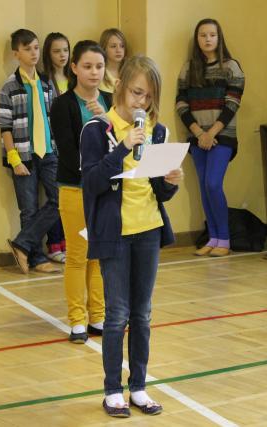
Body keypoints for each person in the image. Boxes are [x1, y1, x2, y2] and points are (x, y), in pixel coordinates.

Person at [81, 54, 183, 417]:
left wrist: (171, 182)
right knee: (117, 314)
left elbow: (159, 191)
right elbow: (92, 182)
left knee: (142, 314)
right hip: (115, 233)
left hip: (148, 229)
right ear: (121, 86)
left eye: (149, 96)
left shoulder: (158, 131)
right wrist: (123, 146)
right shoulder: (98, 129)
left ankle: (138, 386)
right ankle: (113, 390)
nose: (142, 102)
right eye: (137, 92)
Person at [50, 40, 112, 343]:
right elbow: (68, 152)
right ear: (74, 68)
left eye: (99, 66)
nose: (94, 72)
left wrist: (106, 119)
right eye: (87, 66)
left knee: (99, 255)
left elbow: (121, 143)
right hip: (75, 188)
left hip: (106, 191)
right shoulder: (62, 105)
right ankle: (77, 320)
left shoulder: (111, 101)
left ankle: (98, 317)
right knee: (78, 255)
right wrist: (96, 175)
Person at [176, 18, 245, 257]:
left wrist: (211, 133)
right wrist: (198, 133)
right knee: (204, 187)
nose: (207, 39)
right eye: (203, 35)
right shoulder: (189, 68)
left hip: (222, 137)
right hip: (197, 137)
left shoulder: (231, 67)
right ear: (197, 39)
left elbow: (233, 103)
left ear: (219, 38)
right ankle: (213, 237)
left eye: (212, 35)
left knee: (214, 184)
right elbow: (181, 103)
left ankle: (224, 239)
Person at [0, 29, 61, 274]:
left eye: (36, 47)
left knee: (60, 199)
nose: (33, 53)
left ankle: (21, 244)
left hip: (49, 153)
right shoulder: (9, 87)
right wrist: (14, 160)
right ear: (16, 54)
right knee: (29, 209)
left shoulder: (46, 83)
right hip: (23, 156)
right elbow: (5, 127)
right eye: (27, 49)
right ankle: (36, 258)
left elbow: (53, 118)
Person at [41, 32, 71, 263]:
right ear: (48, 54)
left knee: (69, 196)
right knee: (56, 197)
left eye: (65, 50)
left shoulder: (74, 80)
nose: (62, 55)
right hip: (52, 146)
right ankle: (54, 244)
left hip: (72, 146)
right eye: (56, 51)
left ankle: (68, 241)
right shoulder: (44, 82)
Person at [99, 28, 128, 93]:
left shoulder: (129, 72)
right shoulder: (99, 73)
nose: (118, 50)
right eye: (113, 46)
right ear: (104, 48)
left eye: (122, 46)